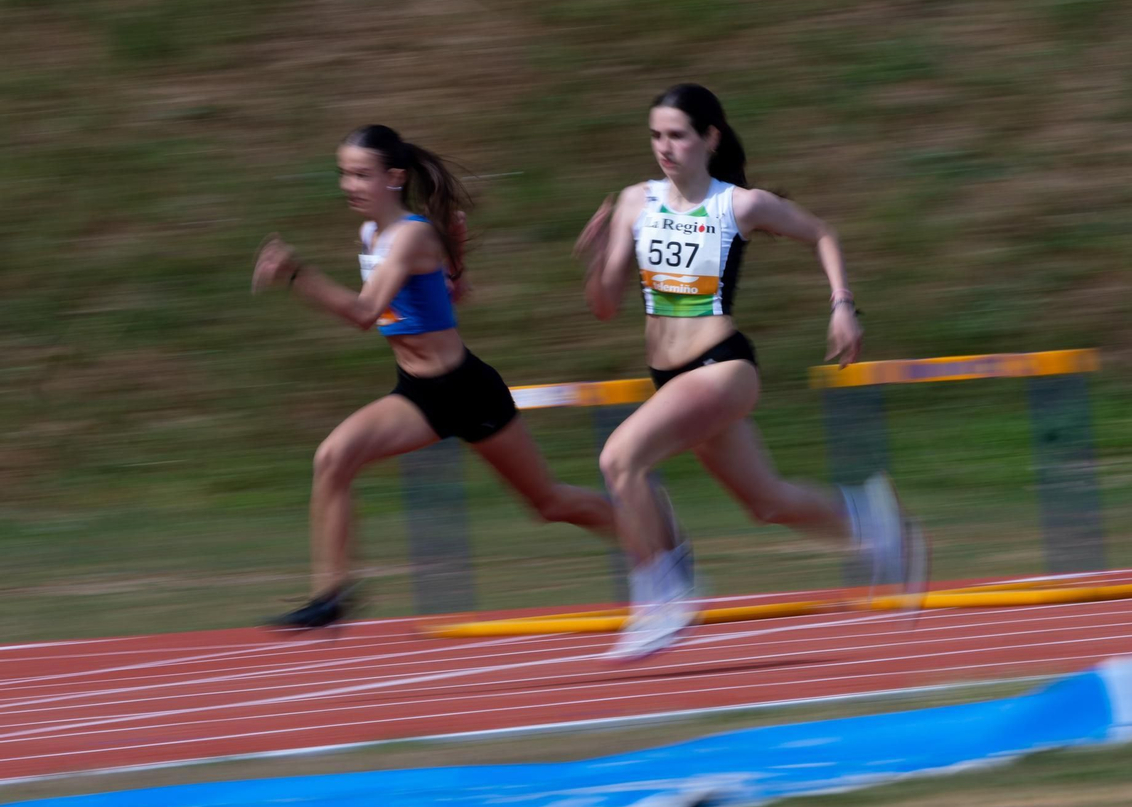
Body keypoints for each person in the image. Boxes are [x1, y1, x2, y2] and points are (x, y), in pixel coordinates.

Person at [575, 83, 924, 661]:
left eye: (678, 135)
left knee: (619, 458)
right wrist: (598, 255)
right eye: (657, 136)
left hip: (720, 366)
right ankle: (875, 524)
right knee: (766, 503)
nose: (665, 147)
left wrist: (842, 305)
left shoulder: (737, 204)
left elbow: (821, 233)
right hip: (671, 376)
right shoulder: (636, 202)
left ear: (709, 138)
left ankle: (663, 593)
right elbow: (605, 305)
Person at [252, 125, 614, 628]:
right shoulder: (372, 235)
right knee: (333, 458)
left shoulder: (412, 235)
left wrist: (296, 274)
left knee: (548, 503)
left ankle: (653, 534)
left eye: (362, 174)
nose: (349, 185)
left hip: (466, 390)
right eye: (344, 174)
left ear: (394, 177)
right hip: (418, 394)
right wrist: (456, 269)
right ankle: (332, 596)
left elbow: (364, 312)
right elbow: (444, 299)